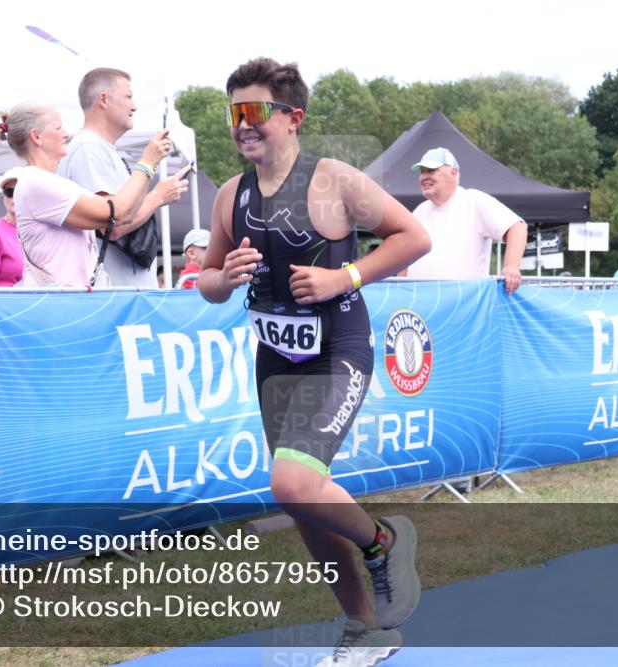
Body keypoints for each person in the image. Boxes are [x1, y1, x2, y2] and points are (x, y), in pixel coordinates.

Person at [198, 58, 432, 667]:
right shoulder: (232, 195)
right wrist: (225, 275)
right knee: (303, 506)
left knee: (294, 483)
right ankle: (365, 629)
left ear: (293, 117)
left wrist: (342, 277)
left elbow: (413, 237)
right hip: (275, 358)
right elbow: (207, 282)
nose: (241, 126)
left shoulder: (334, 180)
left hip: (337, 349)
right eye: (234, 114)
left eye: (253, 112)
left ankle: (384, 541)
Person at [0, 103, 172, 287]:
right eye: (58, 127)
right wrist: (147, 163)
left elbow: (121, 213)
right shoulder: (36, 183)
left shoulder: (46, 182)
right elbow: (115, 213)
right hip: (62, 305)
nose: (65, 134)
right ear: (37, 136)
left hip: (70, 303)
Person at [57, 68, 191, 287]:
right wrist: (158, 195)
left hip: (122, 295)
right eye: (128, 96)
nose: (134, 106)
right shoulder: (88, 149)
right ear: (103, 99)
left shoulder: (99, 149)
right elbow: (111, 225)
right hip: (114, 297)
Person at [402, 147, 526, 293]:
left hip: (465, 307)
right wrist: (402, 286)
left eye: (431, 170)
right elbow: (404, 253)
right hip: (422, 305)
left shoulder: (474, 200)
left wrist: (511, 267)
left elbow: (517, 227)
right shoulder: (419, 211)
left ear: (453, 173)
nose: (424, 176)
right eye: (422, 171)